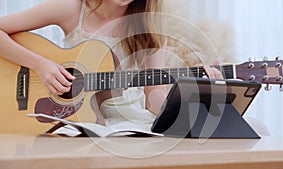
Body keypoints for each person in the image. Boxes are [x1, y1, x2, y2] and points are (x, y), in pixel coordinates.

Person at [0, 0, 223, 130]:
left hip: (127, 120)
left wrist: (197, 92)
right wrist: (41, 65)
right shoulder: (72, 8)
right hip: (76, 119)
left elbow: (154, 96)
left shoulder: (150, 25)